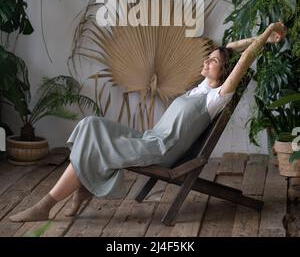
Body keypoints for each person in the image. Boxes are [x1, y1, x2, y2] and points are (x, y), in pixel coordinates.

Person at [9, 20, 287, 222]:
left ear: (224, 71)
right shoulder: (200, 87)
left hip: (161, 150)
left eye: (212, 61)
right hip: (148, 138)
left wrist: (267, 32)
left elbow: (243, 59)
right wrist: (264, 38)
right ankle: (83, 188)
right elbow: (229, 48)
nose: (206, 62)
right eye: (208, 58)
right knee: (90, 125)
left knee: (96, 145)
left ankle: (47, 204)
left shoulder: (218, 96)